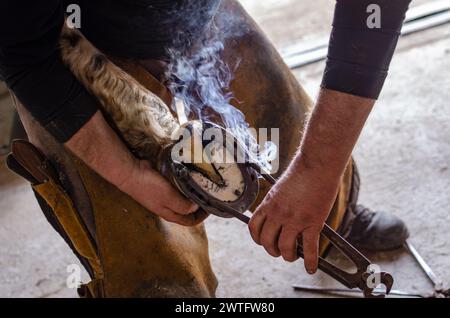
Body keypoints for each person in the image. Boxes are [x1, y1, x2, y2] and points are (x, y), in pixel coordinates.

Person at [0, 0, 410, 296]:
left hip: (195, 12)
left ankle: (332, 225)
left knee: (282, 123)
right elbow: (25, 55)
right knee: (145, 266)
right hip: (66, 42)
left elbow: (373, 10)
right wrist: (131, 175)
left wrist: (317, 170)